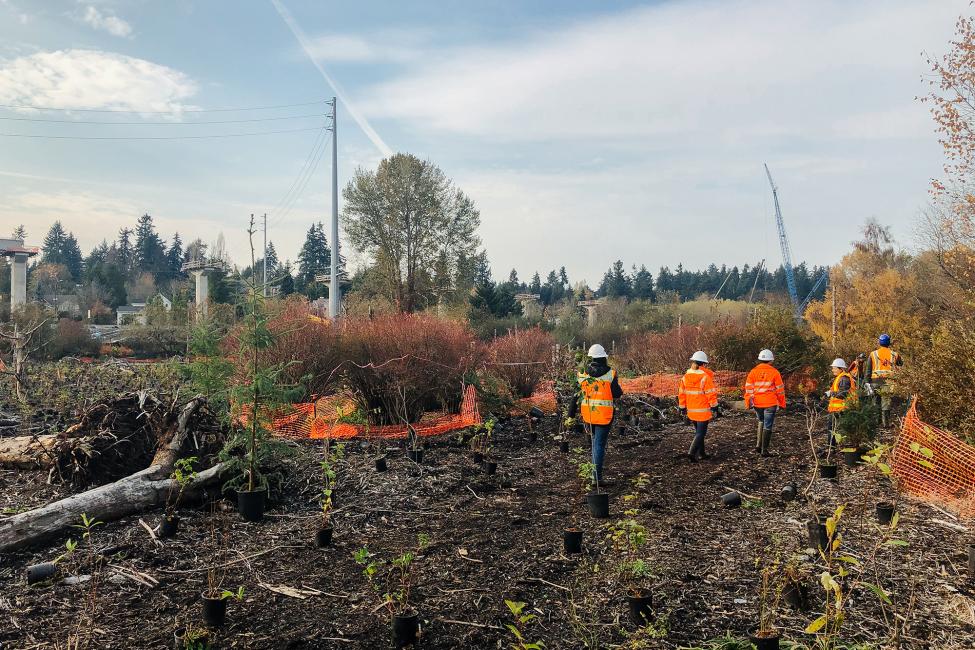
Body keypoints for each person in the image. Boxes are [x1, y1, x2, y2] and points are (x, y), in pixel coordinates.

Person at [567, 343, 623, 485]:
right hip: (604, 416)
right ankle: (596, 478)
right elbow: (617, 394)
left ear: (591, 358)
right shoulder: (611, 374)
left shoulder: (583, 374)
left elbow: (576, 395)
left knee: (594, 443)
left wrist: (571, 413)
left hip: (588, 415)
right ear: (604, 358)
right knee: (599, 445)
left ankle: (593, 473)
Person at [744, 349, 786, 456]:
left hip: (757, 404)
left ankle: (758, 446)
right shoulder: (775, 372)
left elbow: (748, 389)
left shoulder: (753, 372)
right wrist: (782, 403)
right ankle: (764, 450)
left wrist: (749, 402)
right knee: (768, 425)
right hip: (770, 403)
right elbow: (780, 390)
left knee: (761, 421)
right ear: (771, 360)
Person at [678, 351, 718, 462]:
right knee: (701, 433)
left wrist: (682, 407)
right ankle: (691, 453)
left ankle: (702, 454)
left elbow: (681, 393)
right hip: (703, 411)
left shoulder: (685, 377)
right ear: (704, 364)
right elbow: (711, 393)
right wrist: (715, 407)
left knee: (698, 433)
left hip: (691, 410)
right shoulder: (705, 377)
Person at [864, 334, 903, 428]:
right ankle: (886, 424)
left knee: (876, 401)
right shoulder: (894, 354)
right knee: (886, 402)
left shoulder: (873, 354)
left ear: (879, 342)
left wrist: (867, 382)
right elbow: (900, 364)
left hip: (875, 381)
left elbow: (868, 370)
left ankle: (877, 422)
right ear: (889, 342)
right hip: (888, 382)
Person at [824, 358, 856, 449]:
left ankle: (831, 447)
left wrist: (831, 393)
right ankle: (832, 447)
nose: (832, 369)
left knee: (833, 429)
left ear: (840, 368)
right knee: (833, 429)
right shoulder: (841, 377)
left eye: (834, 368)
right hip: (838, 408)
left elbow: (843, 394)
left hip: (841, 409)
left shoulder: (844, 378)